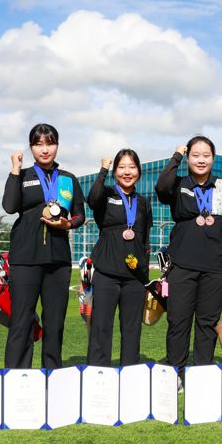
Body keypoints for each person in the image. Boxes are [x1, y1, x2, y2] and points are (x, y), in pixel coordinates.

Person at [155, 136, 222, 379]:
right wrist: (176, 157)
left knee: (207, 325)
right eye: (195, 155)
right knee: (178, 323)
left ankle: (202, 377)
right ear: (188, 158)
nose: (201, 160)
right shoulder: (179, 184)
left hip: (215, 269)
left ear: (213, 158)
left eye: (206, 155)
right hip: (181, 266)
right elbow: (161, 188)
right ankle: (176, 375)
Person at [2, 123, 86, 369]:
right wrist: (15, 169)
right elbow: (9, 206)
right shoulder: (24, 175)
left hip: (58, 261)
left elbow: (79, 215)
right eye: (39, 144)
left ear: (57, 146)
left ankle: (51, 376)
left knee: (55, 323)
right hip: (25, 259)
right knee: (21, 321)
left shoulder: (69, 179)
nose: (45, 149)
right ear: (31, 148)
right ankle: (17, 377)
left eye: (49, 143)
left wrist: (67, 224)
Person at [86, 149, 153, 367]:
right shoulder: (105, 194)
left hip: (134, 276)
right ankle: (98, 373)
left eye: (132, 167)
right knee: (101, 326)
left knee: (132, 328)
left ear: (139, 172)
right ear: (115, 172)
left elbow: (145, 238)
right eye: (121, 167)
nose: (127, 172)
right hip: (106, 272)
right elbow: (92, 198)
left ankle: (130, 373)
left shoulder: (143, 202)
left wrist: (143, 266)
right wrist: (102, 171)